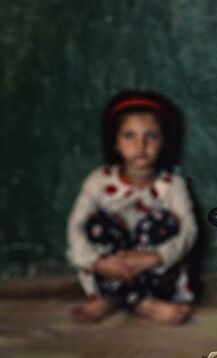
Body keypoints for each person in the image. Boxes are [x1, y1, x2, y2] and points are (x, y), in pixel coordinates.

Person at [67, 90, 198, 325]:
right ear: (115, 142)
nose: (141, 145)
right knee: (96, 223)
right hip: (109, 270)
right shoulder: (98, 181)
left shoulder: (173, 185)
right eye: (129, 136)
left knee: (162, 221)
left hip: (155, 274)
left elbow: (189, 232)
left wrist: (155, 258)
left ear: (164, 141)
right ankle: (132, 300)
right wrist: (99, 262)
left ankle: (129, 298)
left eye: (151, 136)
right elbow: (75, 229)